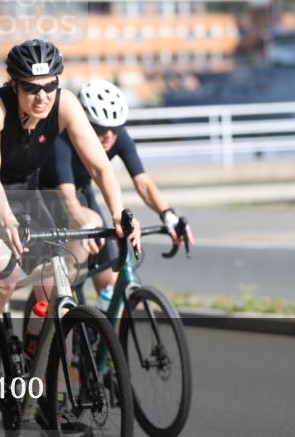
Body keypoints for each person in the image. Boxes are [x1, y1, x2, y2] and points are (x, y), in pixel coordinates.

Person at [0, 39, 141, 387]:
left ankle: (39, 370)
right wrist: (5, 220)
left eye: (50, 86)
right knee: (3, 276)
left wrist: (118, 214)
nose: (43, 97)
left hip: (25, 196)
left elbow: (100, 167)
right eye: (32, 89)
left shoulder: (64, 105)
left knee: (54, 286)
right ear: (14, 85)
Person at [39, 79, 195, 297]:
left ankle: (102, 329)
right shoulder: (62, 140)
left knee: (109, 285)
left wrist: (168, 215)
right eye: (101, 128)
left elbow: (142, 182)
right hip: (50, 198)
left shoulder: (116, 137)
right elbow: (66, 193)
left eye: (116, 127)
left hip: (83, 194)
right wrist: (83, 223)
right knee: (60, 289)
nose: (109, 135)